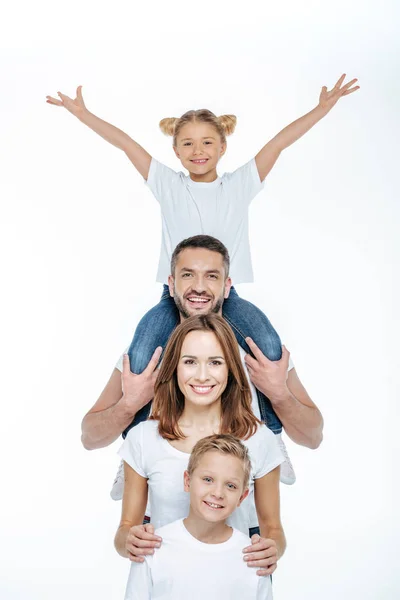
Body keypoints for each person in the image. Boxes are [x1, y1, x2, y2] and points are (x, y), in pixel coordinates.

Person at [48, 76, 355, 479]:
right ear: (175, 150)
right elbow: (125, 144)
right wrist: (84, 115)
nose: (198, 151)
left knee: (266, 344)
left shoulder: (240, 185)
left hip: (225, 299)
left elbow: (279, 143)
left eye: (207, 142)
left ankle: (273, 436)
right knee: (140, 359)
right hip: (171, 299)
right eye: (188, 143)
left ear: (223, 146)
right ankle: (135, 450)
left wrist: (320, 110)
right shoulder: (167, 185)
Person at [81, 235, 324, 501]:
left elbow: (313, 437)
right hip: (158, 526)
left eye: (211, 276)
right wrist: (129, 405)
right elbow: (90, 438)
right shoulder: (148, 358)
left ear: (227, 286)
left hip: (245, 524)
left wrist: (279, 394)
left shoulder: (260, 358)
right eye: (187, 275)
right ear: (171, 285)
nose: (199, 287)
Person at [115, 313, 285, 580]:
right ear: (174, 367)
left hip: (233, 582)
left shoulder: (259, 439)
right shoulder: (143, 439)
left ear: (230, 368)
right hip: (164, 582)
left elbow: (273, 529)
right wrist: (129, 540)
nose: (202, 376)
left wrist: (272, 548)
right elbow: (125, 529)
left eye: (215, 362)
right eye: (190, 362)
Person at [124, 434, 273, 600]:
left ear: (242, 497)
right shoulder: (153, 548)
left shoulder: (254, 557)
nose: (217, 493)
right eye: (208, 479)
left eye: (230, 486)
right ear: (187, 481)